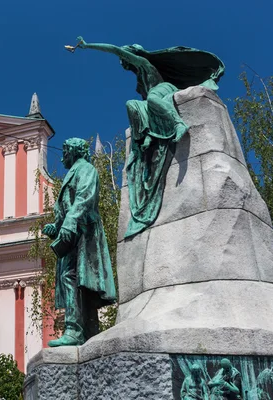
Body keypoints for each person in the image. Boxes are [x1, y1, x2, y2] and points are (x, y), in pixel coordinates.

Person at [66, 37, 224, 237]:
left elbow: (114, 49)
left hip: (164, 91)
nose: (123, 63)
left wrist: (88, 46)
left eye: (124, 60)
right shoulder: (139, 75)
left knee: (152, 98)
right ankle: (147, 135)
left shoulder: (144, 64)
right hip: (151, 104)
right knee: (131, 105)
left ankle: (178, 123)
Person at [42, 137, 116, 347]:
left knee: (72, 277)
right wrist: (56, 227)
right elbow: (68, 206)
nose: (63, 155)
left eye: (65, 151)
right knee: (82, 282)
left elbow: (85, 197)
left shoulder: (85, 169)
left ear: (74, 152)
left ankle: (74, 331)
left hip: (84, 232)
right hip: (74, 233)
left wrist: (69, 222)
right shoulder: (73, 172)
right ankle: (90, 332)